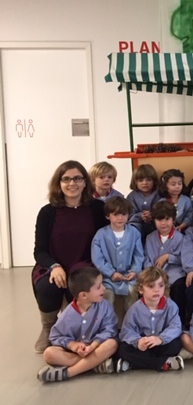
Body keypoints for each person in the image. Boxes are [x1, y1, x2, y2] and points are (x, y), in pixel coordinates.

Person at [32, 160, 109, 353]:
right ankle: (49, 328)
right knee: (47, 287)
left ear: (85, 182)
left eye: (77, 178)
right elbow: (39, 250)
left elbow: (105, 239)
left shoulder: (97, 208)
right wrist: (54, 266)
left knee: (79, 285)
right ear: (58, 183)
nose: (72, 183)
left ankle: (71, 330)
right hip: (53, 265)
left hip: (85, 264)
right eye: (66, 179)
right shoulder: (47, 212)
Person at [36, 267, 118, 382]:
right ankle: (95, 365)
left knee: (112, 344)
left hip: (97, 348)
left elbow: (110, 329)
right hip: (77, 353)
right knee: (48, 353)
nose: (104, 288)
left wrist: (93, 346)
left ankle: (69, 373)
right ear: (83, 295)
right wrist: (73, 345)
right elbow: (55, 336)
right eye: (99, 287)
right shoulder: (67, 315)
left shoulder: (105, 306)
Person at [116, 267, 184, 373]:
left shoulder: (171, 306)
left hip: (161, 343)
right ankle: (164, 363)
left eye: (161, 285)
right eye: (151, 286)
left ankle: (134, 364)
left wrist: (160, 339)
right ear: (140, 289)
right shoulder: (134, 309)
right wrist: (138, 341)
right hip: (143, 345)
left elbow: (175, 327)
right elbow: (127, 331)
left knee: (176, 344)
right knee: (123, 348)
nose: (157, 290)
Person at [143, 201, 193, 327]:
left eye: (167, 219)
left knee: (178, 289)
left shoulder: (181, 238)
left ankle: (179, 323)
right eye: (159, 220)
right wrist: (151, 272)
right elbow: (147, 258)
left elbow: (184, 258)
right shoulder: (150, 238)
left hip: (175, 274)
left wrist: (168, 257)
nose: (163, 223)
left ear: (173, 219)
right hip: (154, 274)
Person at [91, 196, 144, 315]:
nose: (120, 218)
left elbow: (138, 255)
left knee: (132, 293)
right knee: (107, 295)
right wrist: (111, 273)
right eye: (116, 215)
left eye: (124, 214)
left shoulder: (134, 233)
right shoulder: (100, 235)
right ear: (107, 216)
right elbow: (97, 259)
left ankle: (132, 322)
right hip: (107, 278)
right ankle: (106, 323)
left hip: (129, 278)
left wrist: (134, 271)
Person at [126, 164, 160, 238]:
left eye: (148, 180)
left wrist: (152, 215)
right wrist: (141, 216)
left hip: (156, 224)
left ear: (154, 181)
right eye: (140, 180)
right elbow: (129, 214)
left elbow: (163, 210)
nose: (145, 183)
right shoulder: (131, 196)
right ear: (135, 182)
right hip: (138, 225)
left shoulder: (159, 194)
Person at [159, 168, 193, 233]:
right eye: (173, 184)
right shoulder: (161, 202)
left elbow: (190, 215)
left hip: (184, 229)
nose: (177, 186)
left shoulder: (186, 200)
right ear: (165, 186)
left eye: (179, 183)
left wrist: (181, 226)